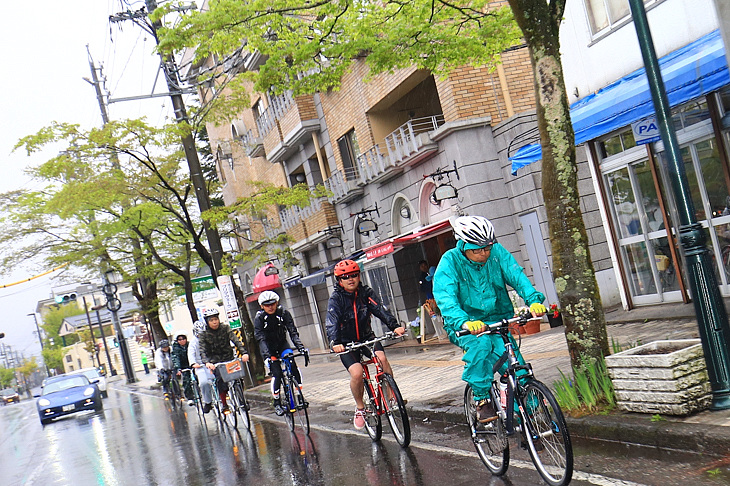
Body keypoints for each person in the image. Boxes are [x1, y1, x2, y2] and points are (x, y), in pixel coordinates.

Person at [433, 216, 546, 423]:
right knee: (481, 345)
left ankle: (526, 423)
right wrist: (464, 321)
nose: (484, 253)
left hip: (497, 319)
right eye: (477, 250)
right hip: (465, 325)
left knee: (517, 370)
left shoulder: (496, 253)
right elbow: (445, 298)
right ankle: (482, 399)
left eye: (487, 248)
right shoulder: (449, 262)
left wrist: (533, 300)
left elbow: (516, 275)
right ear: (463, 245)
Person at [326, 259, 406, 430]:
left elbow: (380, 310)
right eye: (345, 277)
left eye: (354, 275)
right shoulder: (336, 299)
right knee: (357, 373)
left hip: (366, 338)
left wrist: (395, 326)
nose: (351, 279)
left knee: (382, 358)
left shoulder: (366, 292)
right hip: (346, 344)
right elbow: (331, 323)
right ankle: (360, 407)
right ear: (339, 280)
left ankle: (391, 397)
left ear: (359, 276)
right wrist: (335, 342)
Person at [253, 290, 306, 416]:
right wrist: (267, 356)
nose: (270, 307)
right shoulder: (259, 318)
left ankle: (299, 395)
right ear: (262, 306)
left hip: (282, 344)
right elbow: (260, 338)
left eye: (272, 304)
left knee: (292, 365)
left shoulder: (283, 313)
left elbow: (292, 332)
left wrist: (301, 347)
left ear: (277, 303)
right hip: (268, 348)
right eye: (267, 305)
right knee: (277, 373)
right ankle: (277, 402)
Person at [198, 308, 249, 414]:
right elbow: (202, 350)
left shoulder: (225, 328)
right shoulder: (204, 334)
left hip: (228, 357)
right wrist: (207, 362)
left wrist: (244, 353)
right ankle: (224, 404)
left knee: (238, 377)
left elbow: (236, 340)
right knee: (221, 382)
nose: (214, 322)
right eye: (211, 320)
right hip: (215, 361)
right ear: (207, 322)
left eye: (216, 319)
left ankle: (241, 397)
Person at [188, 320, 215, 413]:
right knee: (204, 383)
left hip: (212, 363)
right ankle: (208, 402)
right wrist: (193, 363)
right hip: (201, 366)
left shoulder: (210, 338)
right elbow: (191, 354)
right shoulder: (193, 343)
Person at [171, 330, 195, 405]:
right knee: (186, 381)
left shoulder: (190, 345)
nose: (182, 341)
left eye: (183, 339)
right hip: (183, 367)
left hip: (193, 364)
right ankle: (190, 397)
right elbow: (176, 358)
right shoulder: (175, 348)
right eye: (180, 340)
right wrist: (178, 368)